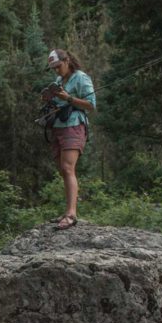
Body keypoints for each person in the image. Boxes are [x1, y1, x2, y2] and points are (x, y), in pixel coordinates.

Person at [44, 49, 96, 230]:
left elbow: (91, 105)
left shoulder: (81, 78)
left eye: (58, 66)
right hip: (58, 127)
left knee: (68, 168)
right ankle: (68, 211)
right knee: (62, 169)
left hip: (74, 126)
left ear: (67, 61)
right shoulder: (59, 81)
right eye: (53, 68)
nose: (56, 71)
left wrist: (69, 98)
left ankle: (71, 214)